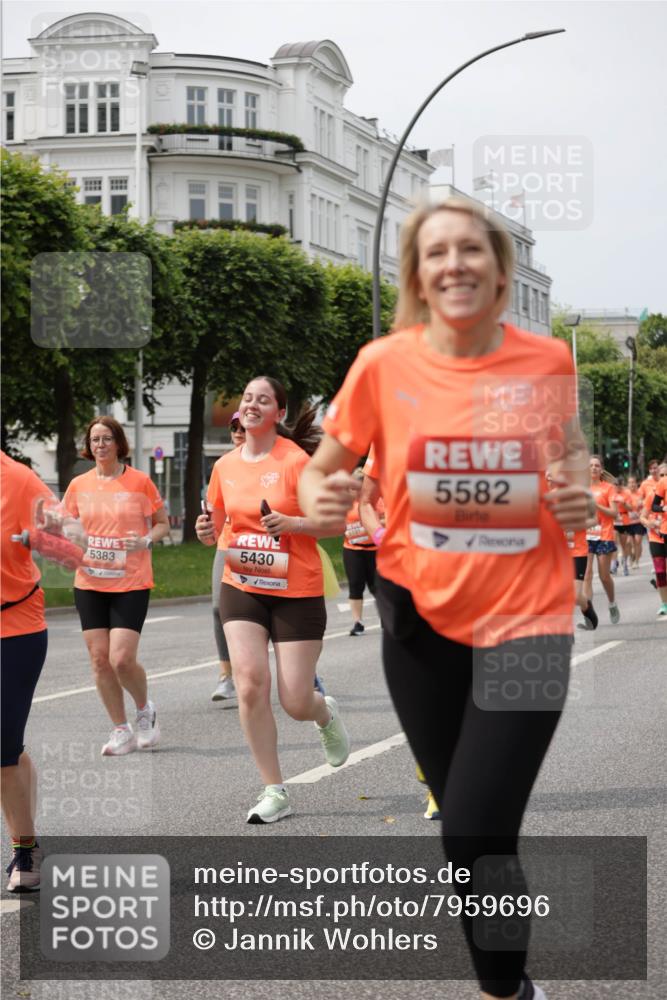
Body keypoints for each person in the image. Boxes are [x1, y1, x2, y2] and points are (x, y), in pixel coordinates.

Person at [299, 196, 591, 1000]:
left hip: (527, 624)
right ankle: (512, 985)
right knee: (467, 836)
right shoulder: (382, 364)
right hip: (417, 622)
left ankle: (504, 991)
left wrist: (571, 489)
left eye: (470, 249)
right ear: (417, 276)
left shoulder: (544, 362)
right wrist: (322, 495)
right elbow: (322, 469)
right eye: (436, 253)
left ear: (498, 271)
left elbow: (566, 453)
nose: (454, 263)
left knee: (472, 828)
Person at [195, 376, 350, 824]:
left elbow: (336, 523)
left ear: (279, 413)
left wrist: (294, 524)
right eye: (247, 398)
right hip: (242, 583)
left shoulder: (297, 461)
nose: (252, 404)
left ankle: (323, 714)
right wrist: (206, 532)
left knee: (296, 700)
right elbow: (216, 527)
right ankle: (274, 790)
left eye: (263, 400)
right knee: (249, 682)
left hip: (295, 589)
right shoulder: (224, 466)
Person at [62, 417, 170, 756]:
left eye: (107, 438)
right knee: (99, 660)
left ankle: (144, 710)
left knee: (121, 659)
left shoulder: (139, 482)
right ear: (89, 445)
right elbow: (65, 523)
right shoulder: (78, 485)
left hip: (131, 581)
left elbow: (163, 524)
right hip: (90, 580)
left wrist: (145, 540)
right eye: (95, 439)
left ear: (119, 443)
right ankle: (120, 729)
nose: (100, 445)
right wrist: (70, 534)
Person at [1, 452, 52, 891]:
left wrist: (43, 537)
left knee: (1, 753)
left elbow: (69, 535)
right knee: (8, 750)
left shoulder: (17, 480)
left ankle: (25, 850)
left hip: (14, 628)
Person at [210, 411, 245, 702]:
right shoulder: (222, 466)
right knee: (217, 606)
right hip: (227, 543)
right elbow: (214, 512)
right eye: (234, 427)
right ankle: (226, 676)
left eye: (244, 427)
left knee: (273, 609)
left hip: (265, 545)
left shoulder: (276, 461)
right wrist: (204, 529)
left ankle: (303, 671)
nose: (238, 432)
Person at [343, 467, 383, 636]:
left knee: (378, 586)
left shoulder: (375, 502)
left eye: (357, 488)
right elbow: (336, 523)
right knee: (355, 585)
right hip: (353, 550)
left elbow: (387, 519)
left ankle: (385, 618)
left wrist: (375, 525)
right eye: (352, 488)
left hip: (374, 550)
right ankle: (357, 622)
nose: (354, 491)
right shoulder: (345, 504)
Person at [583, 456, 620, 623]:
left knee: (604, 576)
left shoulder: (609, 488)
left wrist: (596, 505)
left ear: (601, 469)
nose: (593, 468)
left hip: (604, 535)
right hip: (585, 535)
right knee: (587, 574)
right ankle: (588, 613)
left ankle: (612, 603)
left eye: (597, 465)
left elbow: (614, 513)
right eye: (590, 465)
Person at [647, 463, 667, 616]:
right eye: (662, 475)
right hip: (658, 535)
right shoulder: (655, 488)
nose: (664, 477)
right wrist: (663, 509)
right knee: (660, 571)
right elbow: (652, 507)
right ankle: (664, 604)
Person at [625, 474, 645, 569]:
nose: (632, 484)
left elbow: (646, 505)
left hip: (638, 522)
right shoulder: (625, 493)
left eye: (633, 482)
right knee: (629, 542)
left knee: (637, 541)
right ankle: (632, 556)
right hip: (628, 522)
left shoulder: (640, 493)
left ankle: (636, 561)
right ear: (627, 484)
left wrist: (642, 504)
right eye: (630, 482)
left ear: (636, 483)